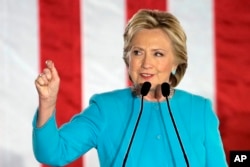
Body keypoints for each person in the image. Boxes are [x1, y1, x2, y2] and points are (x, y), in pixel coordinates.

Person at [33, 9, 228, 167]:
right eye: (137, 52)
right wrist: (47, 104)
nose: (146, 64)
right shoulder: (106, 109)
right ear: (128, 58)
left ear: (176, 63)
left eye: (158, 54)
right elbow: (53, 154)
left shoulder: (199, 111)